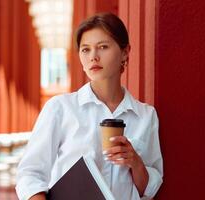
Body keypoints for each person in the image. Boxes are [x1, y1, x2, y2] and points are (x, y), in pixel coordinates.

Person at [15, 13, 163, 200]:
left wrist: (136, 163)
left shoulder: (145, 115)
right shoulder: (60, 108)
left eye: (103, 47)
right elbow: (30, 174)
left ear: (125, 52)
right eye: (86, 50)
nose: (93, 57)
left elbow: (149, 189)